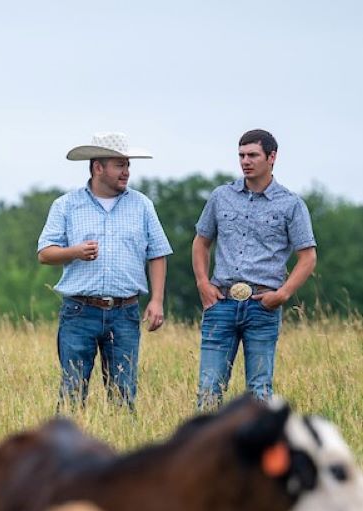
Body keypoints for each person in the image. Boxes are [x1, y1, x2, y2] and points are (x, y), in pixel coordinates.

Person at [37, 132, 172, 410]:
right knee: (72, 393)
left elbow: (157, 253)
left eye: (127, 165)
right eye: (119, 165)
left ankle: (121, 447)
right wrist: (74, 252)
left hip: (125, 312)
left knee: (123, 395)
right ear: (98, 167)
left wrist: (157, 300)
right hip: (79, 312)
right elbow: (44, 253)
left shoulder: (142, 205)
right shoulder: (66, 205)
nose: (127, 172)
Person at [193, 129, 317, 408]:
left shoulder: (291, 204)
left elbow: (308, 257)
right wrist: (203, 283)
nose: (245, 161)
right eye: (241, 155)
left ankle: (258, 450)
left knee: (259, 391)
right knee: (209, 388)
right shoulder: (221, 196)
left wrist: (283, 294)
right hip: (221, 302)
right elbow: (201, 242)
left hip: (263, 304)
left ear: (272, 157)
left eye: (253, 155)